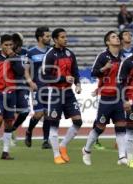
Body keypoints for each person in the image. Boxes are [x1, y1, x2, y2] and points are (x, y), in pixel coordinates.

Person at [82, 31, 127, 166]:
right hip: (107, 98)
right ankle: (86, 150)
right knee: (100, 127)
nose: (117, 38)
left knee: (120, 127)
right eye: (113, 37)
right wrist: (104, 68)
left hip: (119, 97)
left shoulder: (123, 56)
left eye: (117, 36)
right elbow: (93, 73)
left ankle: (121, 157)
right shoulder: (102, 56)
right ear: (107, 42)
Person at [41, 28, 82, 164]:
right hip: (55, 93)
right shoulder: (50, 55)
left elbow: (75, 70)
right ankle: (56, 155)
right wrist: (64, 78)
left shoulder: (70, 53)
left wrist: (78, 83)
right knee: (54, 124)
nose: (66, 39)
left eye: (66, 36)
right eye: (63, 37)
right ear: (55, 39)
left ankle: (63, 145)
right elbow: (45, 76)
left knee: (78, 121)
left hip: (68, 93)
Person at [23, 27, 52, 149]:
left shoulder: (51, 51)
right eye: (47, 36)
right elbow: (26, 71)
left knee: (48, 114)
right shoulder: (31, 52)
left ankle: (45, 140)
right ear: (40, 38)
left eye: (49, 36)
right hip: (37, 87)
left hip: (50, 87)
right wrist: (30, 83)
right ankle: (29, 131)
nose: (49, 38)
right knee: (39, 114)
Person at [9, 32, 30, 147]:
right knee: (10, 112)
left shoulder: (26, 53)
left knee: (25, 111)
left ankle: (13, 128)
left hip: (23, 85)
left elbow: (28, 68)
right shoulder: (8, 53)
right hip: (10, 85)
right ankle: (11, 136)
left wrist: (30, 81)